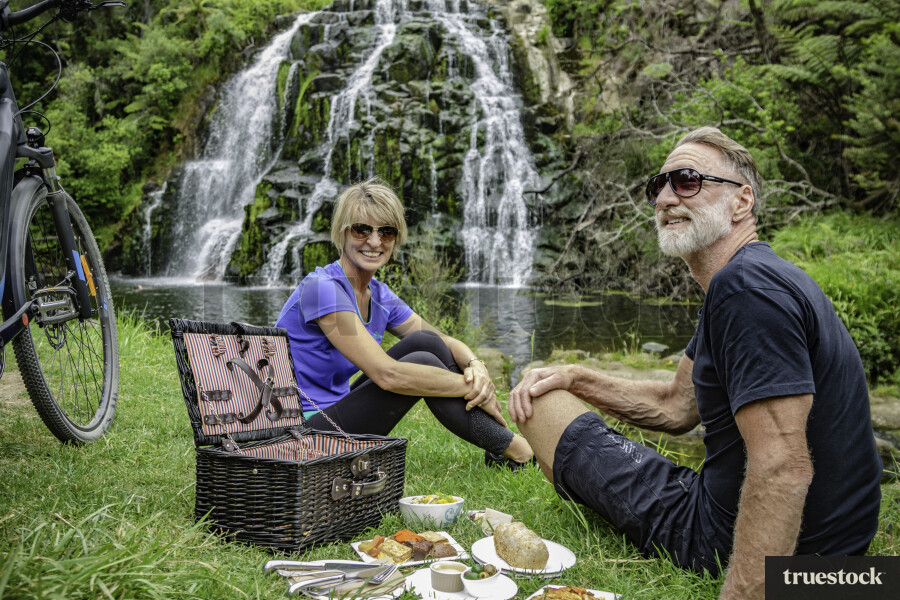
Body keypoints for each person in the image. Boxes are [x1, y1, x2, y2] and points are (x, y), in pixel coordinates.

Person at [508, 127, 881, 599]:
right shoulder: (748, 279)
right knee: (555, 391)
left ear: (741, 202)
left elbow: (784, 465)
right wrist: (576, 377)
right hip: (838, 554)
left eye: (687, 180)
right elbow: (676, 406)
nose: (665, 197)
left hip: (747, 544)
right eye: (658, 185)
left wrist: (744, 591)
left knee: (542, 409)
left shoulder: (746, 291)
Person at [276, 177, 533, 468]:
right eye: (362, 229)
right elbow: (388, 375)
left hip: (333, 417)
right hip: (299, 432)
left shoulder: (380, 296)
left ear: (396, 238)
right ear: (342, 232)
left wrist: (477, 367)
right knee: (423, 358)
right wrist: (468, 387)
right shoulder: (321, 289)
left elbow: (444, 341)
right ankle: (518, 450)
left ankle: (501, 447)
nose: (374, 242)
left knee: (427, 344)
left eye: (386, 232)